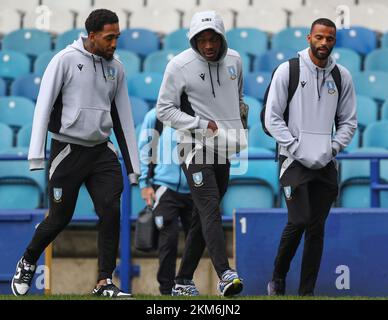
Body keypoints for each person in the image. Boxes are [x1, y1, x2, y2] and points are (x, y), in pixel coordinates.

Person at [11, 9, 140, 298]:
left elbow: (124, 118)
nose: (114, 44)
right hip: (67, 151)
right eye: (109, 38)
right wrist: (36, 156)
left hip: (101, 152)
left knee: (111, 211)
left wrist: (133, 167)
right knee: (59, 217)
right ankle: (28, 259)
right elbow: (43, 107)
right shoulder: (64, 60)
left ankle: (104, 282)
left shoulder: (116, 68)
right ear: (91, 36)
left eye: (117, 37)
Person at [157, 10, 248, 297]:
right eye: (201, 40)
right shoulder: (178, 65)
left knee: (201, 217)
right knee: (210, 207)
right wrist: (197, 124)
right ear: (193, 40)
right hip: (192, 147)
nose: (208, 45)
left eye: (213, 39)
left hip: (224, 147)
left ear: (222, 38)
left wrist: (240, 124)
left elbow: (239, 99)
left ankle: (183, 281)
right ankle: (225, 274)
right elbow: (164, 109)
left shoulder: (235, 60)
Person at [265, 18, 357, 296]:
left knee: (316, 229)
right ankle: (278, 278)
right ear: (309, 38)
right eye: (319, 37)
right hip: (292, 161)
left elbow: (349, 122)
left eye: (329, 39)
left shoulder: (342, 76)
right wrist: (295, 146)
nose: (324, 43)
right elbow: (271, 118)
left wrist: (331, 149)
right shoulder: (288, 70)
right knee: (299, 220)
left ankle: (307, 291)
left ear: (334, 41)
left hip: (325, 163)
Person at [138, 108, 193, 295]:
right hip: (164, 188)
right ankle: (167, 290)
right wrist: (144, 183)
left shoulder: (197, 113)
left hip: (194, 188)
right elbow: (144, 151)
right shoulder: (154, 117)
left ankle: (184, 283)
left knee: (196, 239)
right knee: (168, 240)